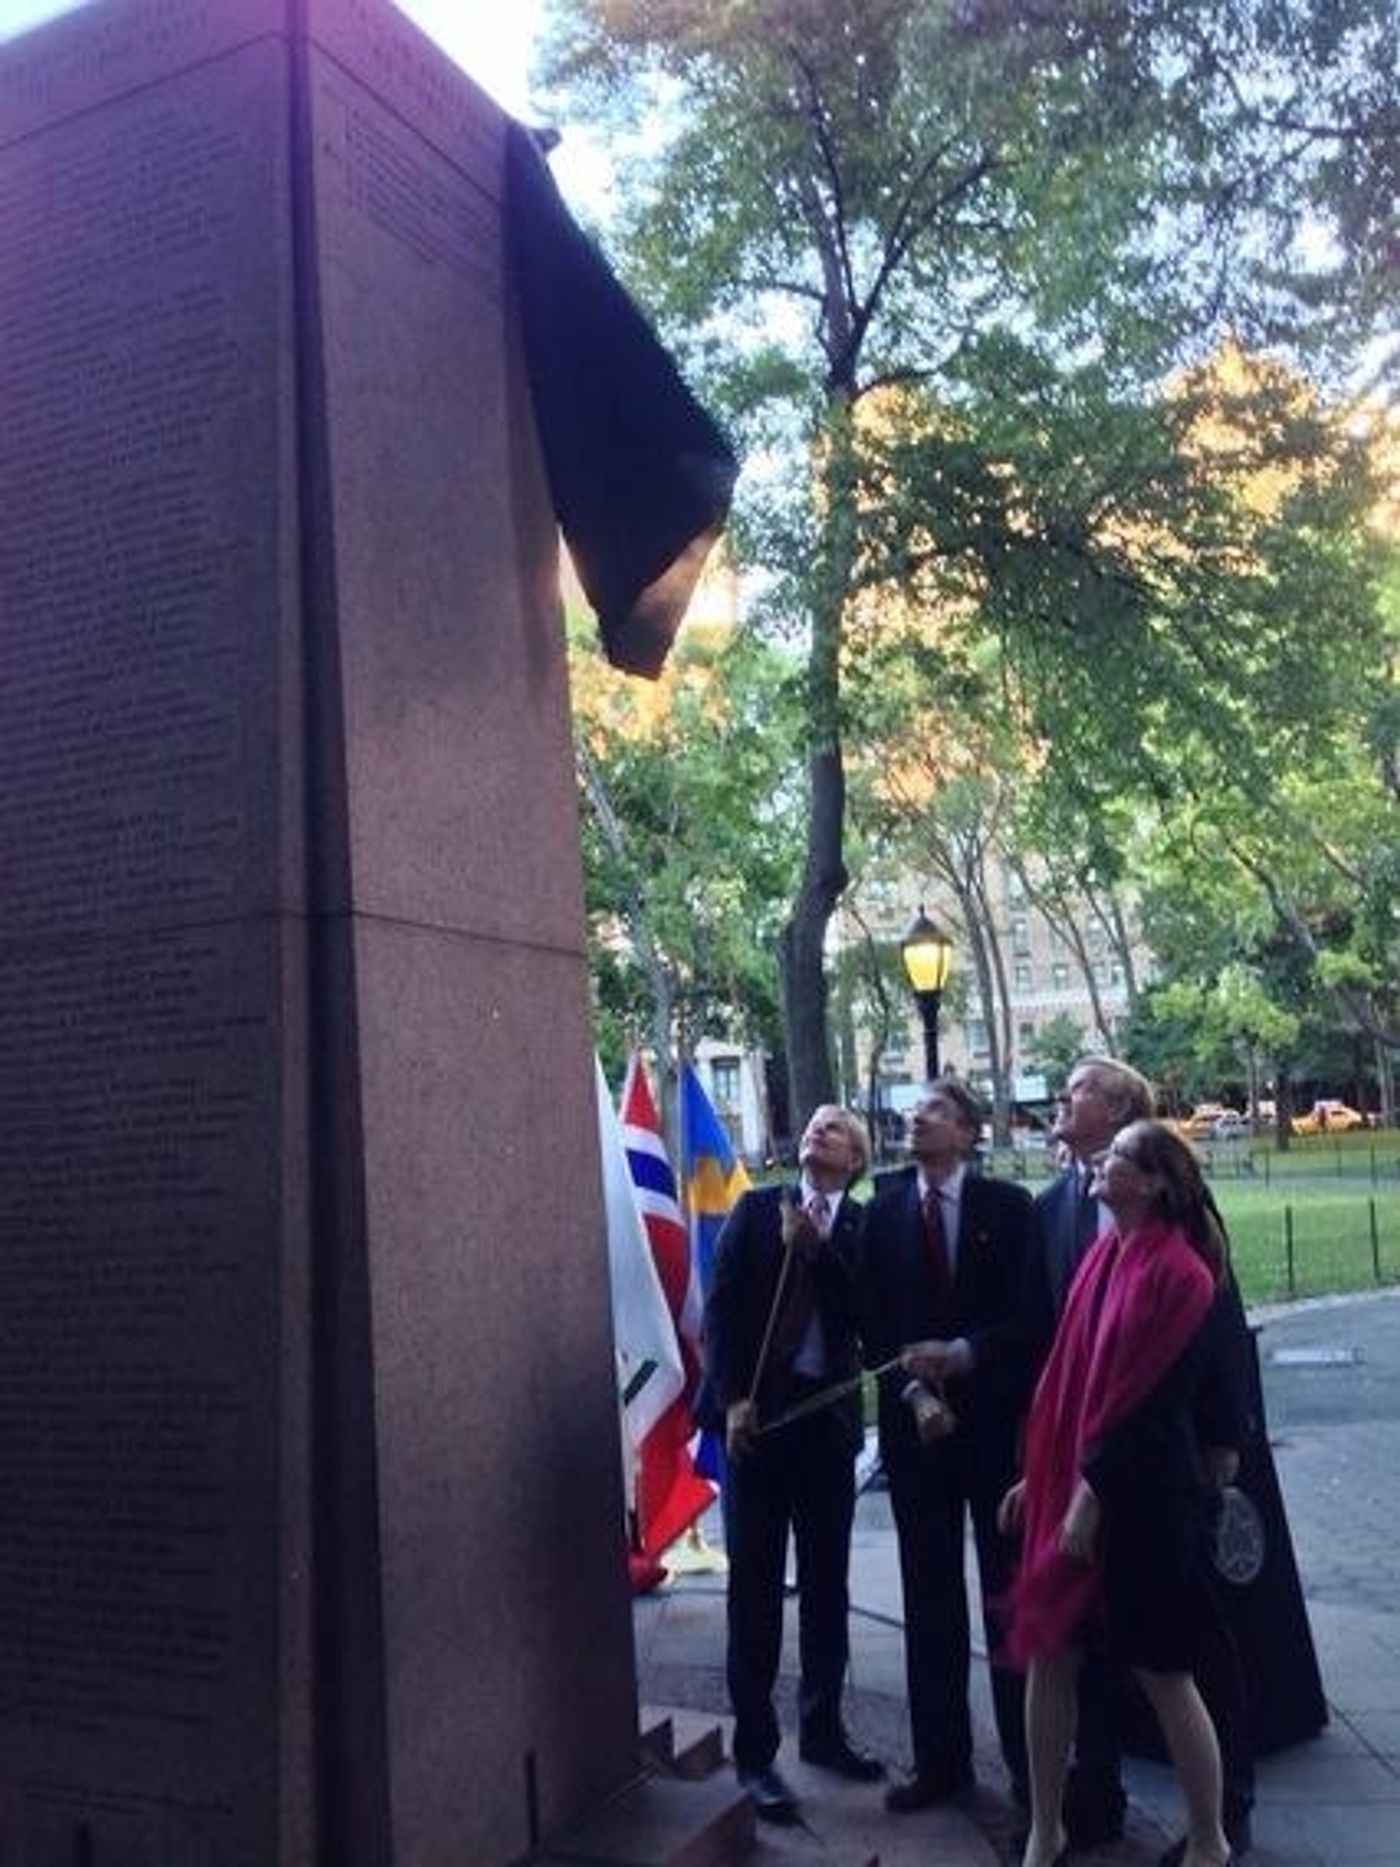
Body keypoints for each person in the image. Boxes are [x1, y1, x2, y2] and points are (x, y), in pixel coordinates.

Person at [1021, 1058, 1254, 1856]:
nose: (1098, 1167)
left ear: (1153, 1179)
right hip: (1070, 1475)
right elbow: (1061, 1360)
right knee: (1056, 1654)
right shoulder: (1081, 1236)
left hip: (1145, 1491)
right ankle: (1050, 1825)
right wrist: (1046, 1473)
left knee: (1172, 1665)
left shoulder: (1180, 1267)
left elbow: (1176, 1377)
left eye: (1118, 1156)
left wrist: (1225, 1439)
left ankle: (1216, 1832)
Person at [699, 1104, 883, 1823]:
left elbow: (865, 1315)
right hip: (758, 1426)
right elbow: (719, 1314)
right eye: (812, 1125)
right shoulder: (754, 1211)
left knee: (827, 1585)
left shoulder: (862, 1229)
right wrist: (734, 1399)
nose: (818, 1131)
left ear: (856, 1158)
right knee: (753, 1588)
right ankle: (755, 1752)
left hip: (826, 1427)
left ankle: (824, 1729)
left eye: (836, 1128)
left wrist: (817, 1249)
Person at [854, 1080, 1034, 1812]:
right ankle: (942, 1764)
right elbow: (870, 1326)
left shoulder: (1008, 1209)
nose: (915, 1120)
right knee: (928, 1601)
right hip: (915, 1435)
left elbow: (1030, 1319)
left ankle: (1031, 1764)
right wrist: (917, 1392)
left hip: (992, 1433)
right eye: (912, 1113)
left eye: (932, 1112)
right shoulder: (884, 1213)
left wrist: (962, 1355)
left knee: (1007, 1598)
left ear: (965, 1131)